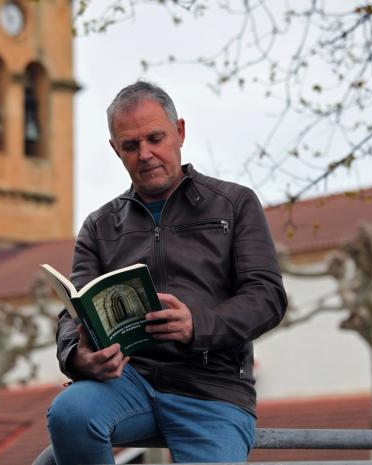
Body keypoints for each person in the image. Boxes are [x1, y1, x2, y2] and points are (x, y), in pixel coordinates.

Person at [47, 81, 287, 464]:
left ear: (180, 132)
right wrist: (77, 356)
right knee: (69, 413)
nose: (145, 154)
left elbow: (267, 297)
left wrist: (197, 324)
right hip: (127, 380)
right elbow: (71, 312)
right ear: (116, 150)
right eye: (130, 145)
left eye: (155, 138)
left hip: (212, 388)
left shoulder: (235, 203)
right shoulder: (99, 225)